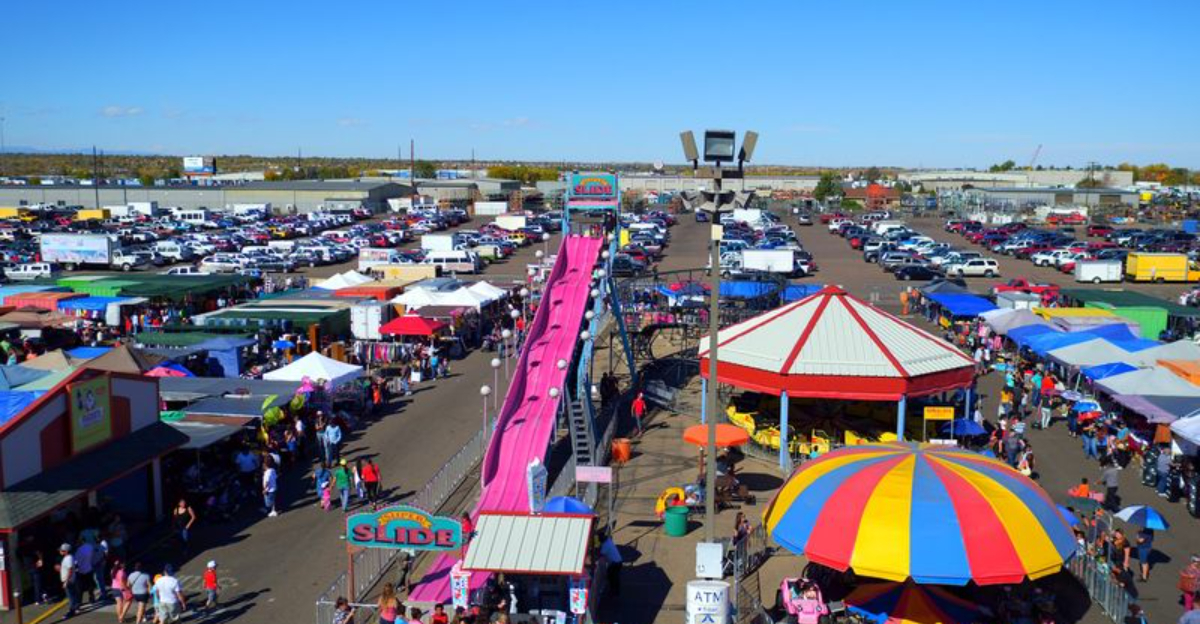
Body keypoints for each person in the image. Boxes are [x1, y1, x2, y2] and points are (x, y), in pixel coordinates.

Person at [59, 543, 80, 617]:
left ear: (66, 551)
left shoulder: (68, 558)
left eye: (62, 550)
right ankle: (76, 607)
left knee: (70, 596)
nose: (60, 551)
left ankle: (71, 611)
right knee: (74, 594)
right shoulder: (70, 557)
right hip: (72, 579)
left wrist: (66, 581)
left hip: (69, 581)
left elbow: (70, 570)